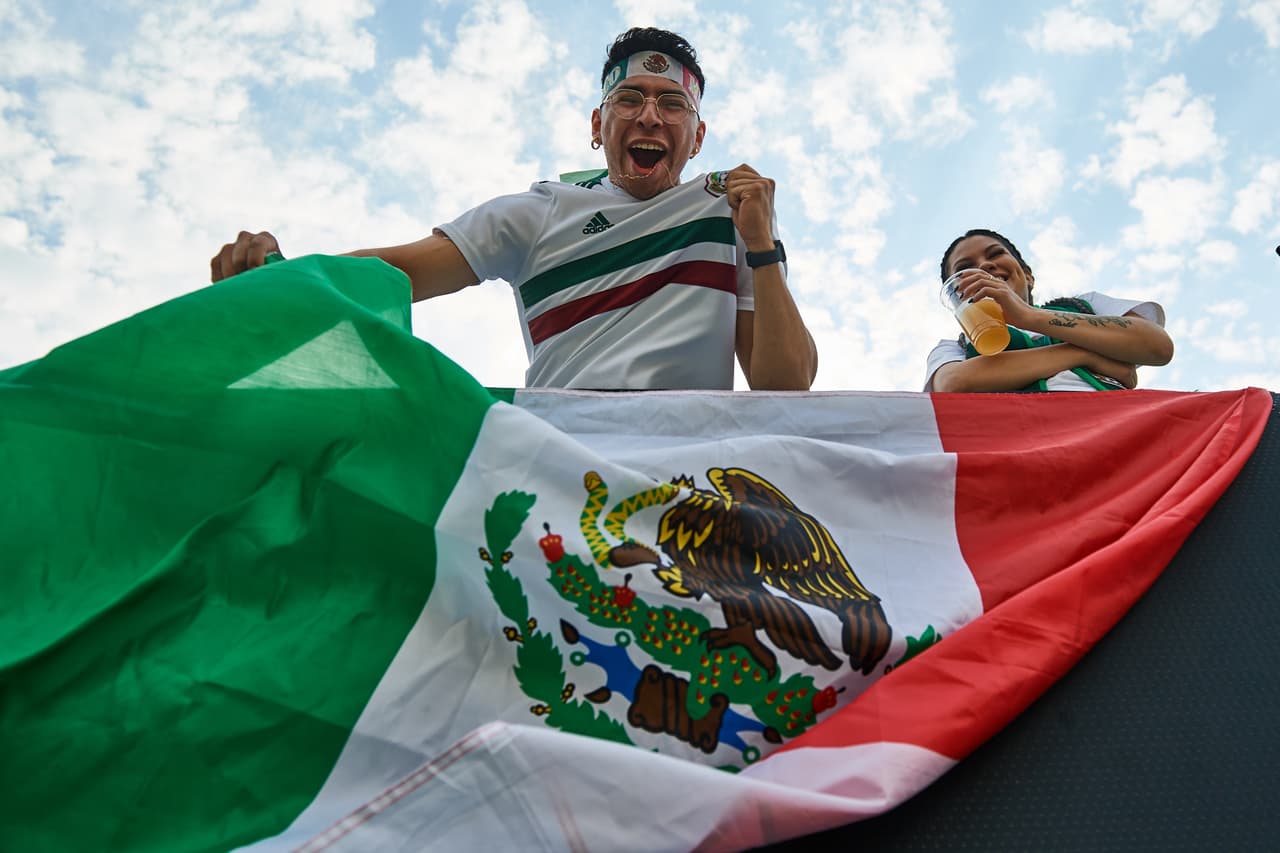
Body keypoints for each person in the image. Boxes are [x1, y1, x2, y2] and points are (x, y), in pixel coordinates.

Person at [211, 28, 817, 392]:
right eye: (629, 98)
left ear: (698, 134)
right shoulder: (541, 211)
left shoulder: (730, 209)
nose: (650, 116)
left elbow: (785, 385)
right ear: (597, 126)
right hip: (560, 462)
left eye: (671, 104)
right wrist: (289, 277)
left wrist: (763, 246)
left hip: (689, 473)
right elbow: (403, 271)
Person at [925, 229, 1174, 393]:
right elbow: (952, 383)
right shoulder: (954, 347)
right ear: (956, 298)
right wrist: (1085, 355)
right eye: (965, 268)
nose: (985, 266)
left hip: (1115, 424)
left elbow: (1157, 345)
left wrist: (1028, 316)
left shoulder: (1085, 305)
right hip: (1020, 441)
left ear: (1028, 276)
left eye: (996, 254)